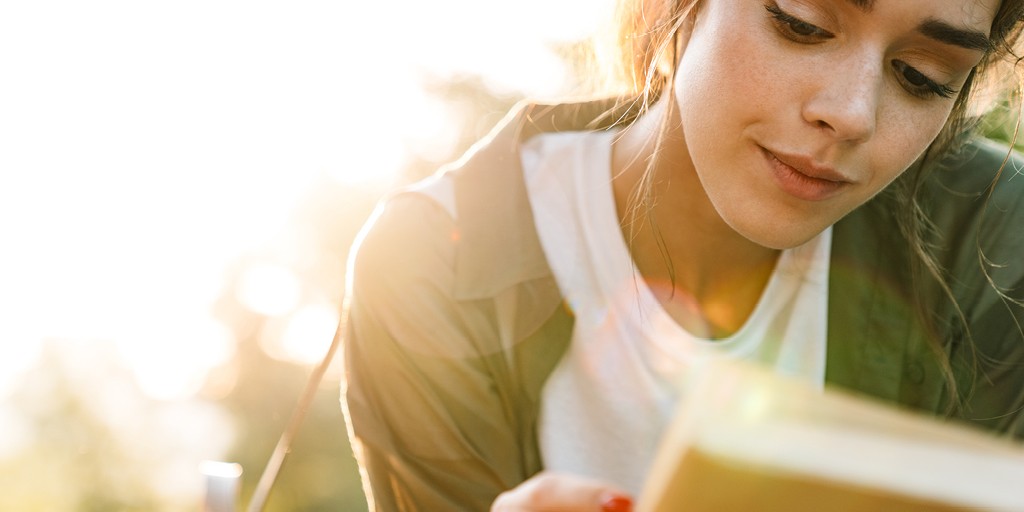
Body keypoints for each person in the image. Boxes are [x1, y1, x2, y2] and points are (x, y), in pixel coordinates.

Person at [341, 0, 1024, 510]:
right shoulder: (430, 266)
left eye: (922, 76)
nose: (851, 113)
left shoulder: (994, 245)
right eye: (802, 23)